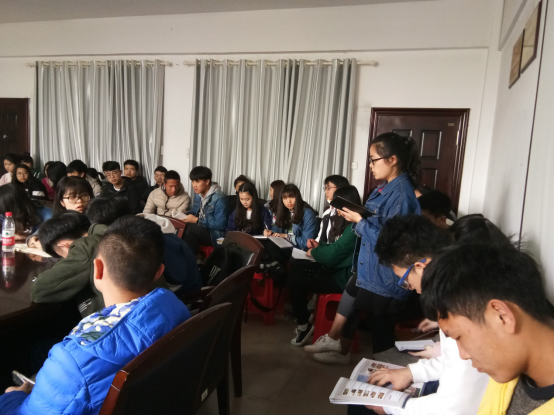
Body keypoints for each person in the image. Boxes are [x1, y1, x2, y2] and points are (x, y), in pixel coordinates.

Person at [0, 216, 191, 415]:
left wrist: (12, 397)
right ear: (159, 272)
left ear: (97, 269)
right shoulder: (175, 308)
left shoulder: (72, 360)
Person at [359, 214, 490, 416]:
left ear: (421, 266)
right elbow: (451, 361)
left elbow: (455, 408)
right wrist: (410, 372)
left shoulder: (461, 307)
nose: (410, 287)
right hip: (457, 396)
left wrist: (392, 407)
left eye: (404, 279)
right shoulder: (456, 288)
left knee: (363, 407)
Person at [312, 132, 421, 365]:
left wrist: (359, 222)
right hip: (371, 268)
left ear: (392, 160)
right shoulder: (383, 189)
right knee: (358, 302)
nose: (370, 165)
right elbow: (376, 223)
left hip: (386, 274)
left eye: (374, 160)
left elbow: (393, 242)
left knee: (381, 334)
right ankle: (339, 347)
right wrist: (355, 217)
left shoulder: (401, 195)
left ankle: (387, 374)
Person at [420, 244, 554, 415]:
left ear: (502, 316)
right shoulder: (507, 371)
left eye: (459, 337)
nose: (463, 355)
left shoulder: (506, 364)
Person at [289, 186, 360, 347]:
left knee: (295, 278)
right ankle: (305, 319)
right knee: (296, 268)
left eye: (338, 207)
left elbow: (332, 256)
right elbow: (336, 248)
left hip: (342, 279)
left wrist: (314, 252)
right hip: (338, 272)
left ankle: (304, 324)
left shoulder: (354, 228)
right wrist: (319, 245)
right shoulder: (351, 225)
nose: (337, 211)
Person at [183, 166, 229, 255]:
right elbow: (194, 212)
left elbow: (221, 225)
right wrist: (184, 215)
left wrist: (197, 220)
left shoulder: (219, 198)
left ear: (207, 181)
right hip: (202, 228)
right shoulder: (198, 195)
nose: (194, 185)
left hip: (216, 236)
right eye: (192, 181)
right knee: (180, 225)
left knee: (188, 230)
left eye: (197, 181)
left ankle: (193, 258)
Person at [265, 184, 318, 250]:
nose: (288, 201)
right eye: (285, 198)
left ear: (297, 198)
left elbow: (306, 242)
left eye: (291, 197)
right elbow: (278, 228)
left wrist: (286, 236)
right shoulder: (285, 211)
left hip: (300, 250)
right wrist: (271, 232)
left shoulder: (307, 214)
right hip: (286, 247)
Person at [309, 175, 350, 248]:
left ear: (340, 189)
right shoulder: (327, 213)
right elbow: (320, 237)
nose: (326, 191)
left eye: (328, 188)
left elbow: (339, 245)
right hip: (324, 250)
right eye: (325, 188)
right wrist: (314, 243)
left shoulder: (346, 214)